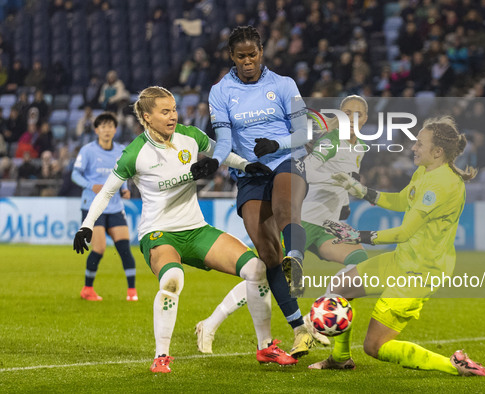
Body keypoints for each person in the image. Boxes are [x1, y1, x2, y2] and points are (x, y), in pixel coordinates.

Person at [72, 86, 296, 373]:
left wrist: (248, 165)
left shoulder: (190, 137)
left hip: (196, 230)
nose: (173, 116)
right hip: (159, 233)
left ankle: (265, 347)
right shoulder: (134, 153)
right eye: (164, 111)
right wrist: (86, 226)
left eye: (174, 109)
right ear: (146, 117)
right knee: (172, 279)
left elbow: (222, 154)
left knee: (256, 269)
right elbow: (106, 192)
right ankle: (161, 356)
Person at [310, 116, 485, 377]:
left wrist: (357, 235)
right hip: (401, 260)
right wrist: (361, 190)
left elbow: (405, 232)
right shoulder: (425, 171)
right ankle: (340, 359)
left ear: (437, 152)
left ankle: (454, 365)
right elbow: (401, 201)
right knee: (339, 287)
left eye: (419, 143)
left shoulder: (443, 184)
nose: (413, 148)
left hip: (419, 273)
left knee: (374, 347)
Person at [195, 96, 371, 355]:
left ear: (366, 118)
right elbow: (309, 168)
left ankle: (312, 318)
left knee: (268, 272)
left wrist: (343, 204)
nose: (352, 119)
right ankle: (312, 319)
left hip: (325, 221)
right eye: (346, 113)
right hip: (305, 218)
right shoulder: (329, 141)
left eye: (358, 114)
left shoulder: (361, 147)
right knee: (272, 271)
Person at [196, 25, 313, 359]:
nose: (248, 61)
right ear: (232, 57)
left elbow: (304, 132)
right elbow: (225, 141)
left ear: (262, 52)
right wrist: (213, 162)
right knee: (266, 250)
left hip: (287, 159)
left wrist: (277, 143)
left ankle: (298, 261)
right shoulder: (220, 91)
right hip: (251, 172)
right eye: (241, 56)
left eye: (253, 54)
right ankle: (299, 330)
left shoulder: (284, 85)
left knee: (285, 204)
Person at [71, 112, 136, 302]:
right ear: (96, 129)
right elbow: (75, 174)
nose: (107, 130)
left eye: (110, 126)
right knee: (99, 248)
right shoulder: (87, 150)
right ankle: (87, 289)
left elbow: (122, 174)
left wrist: (124, 189)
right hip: (92, 206)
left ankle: (132, 292)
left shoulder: (121, 150)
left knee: (124, 248)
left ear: (115, 130)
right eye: (103, 126)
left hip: (115, 206)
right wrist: (90, 185)